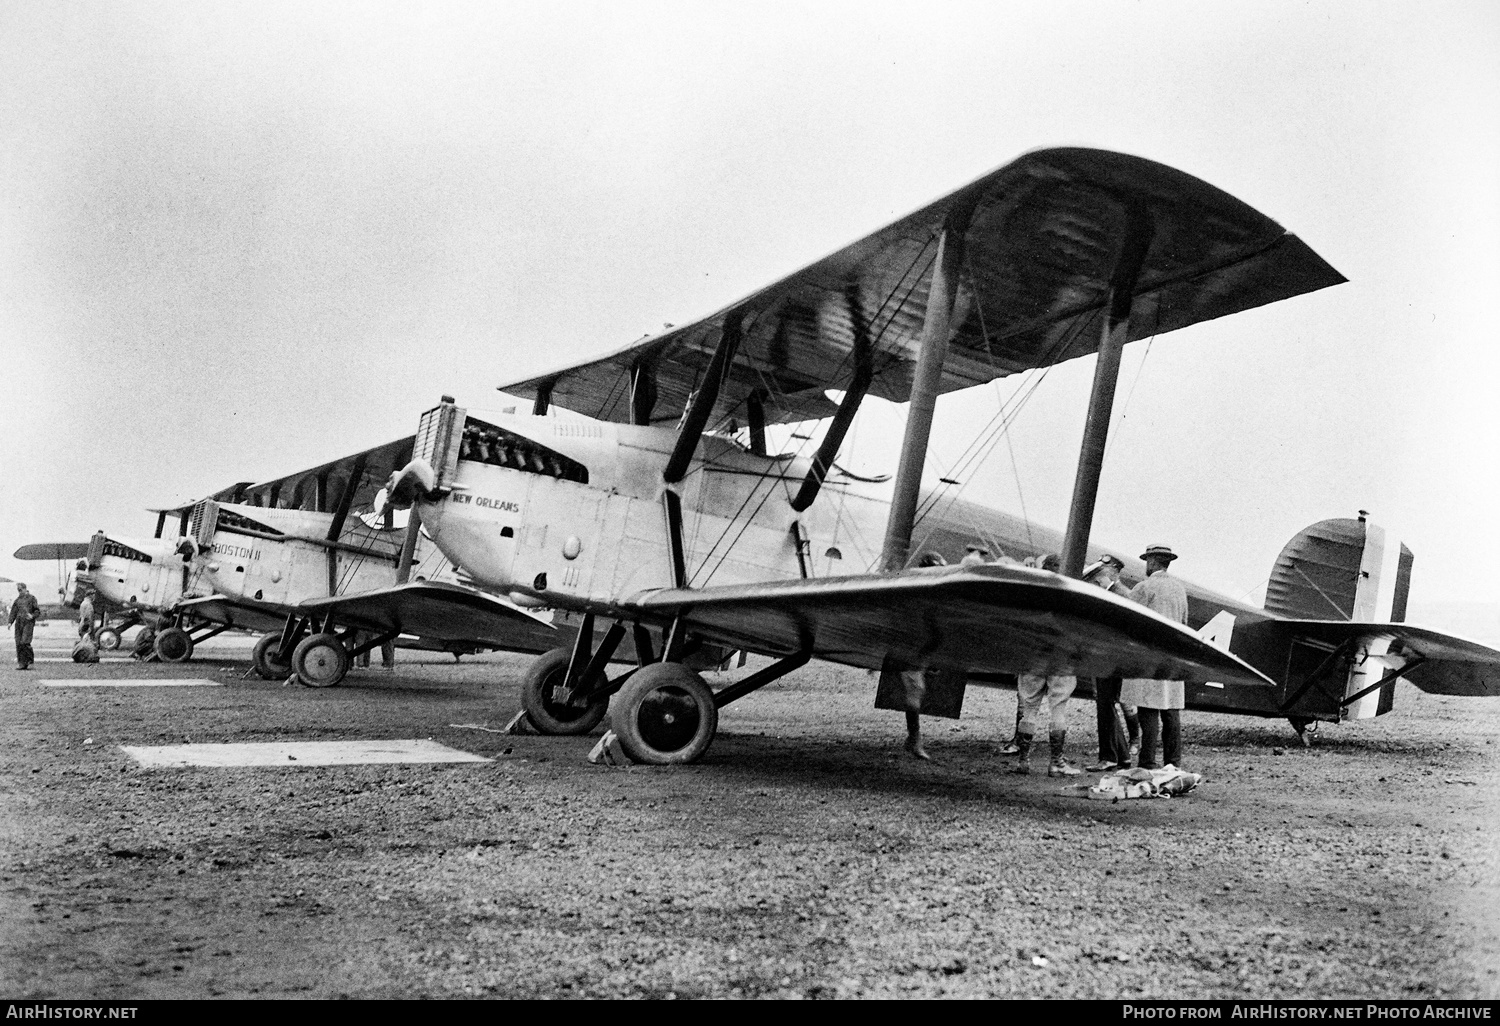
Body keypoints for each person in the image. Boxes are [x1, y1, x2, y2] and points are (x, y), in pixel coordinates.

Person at [1007, 553, 1081, 776]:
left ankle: (1023, 760)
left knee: (1029, 709)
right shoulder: (1071, 593)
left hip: (1033, 656)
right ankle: (1056, 762)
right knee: (1058, 709)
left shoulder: (1032, 592)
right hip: (1061, 658)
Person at [1121, 544, 1190, 769]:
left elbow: (1128, 621)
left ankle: (1148, 762)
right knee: (1171, 711)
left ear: (1151, 562)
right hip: (1173, 657)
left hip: (1149, 657)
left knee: (1148, 710)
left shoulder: (1143, 587)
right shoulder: (1180, 589)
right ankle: (1173, 762)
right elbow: (1184, 623)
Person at [1082, 555, 1135, 771]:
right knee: (1109, 707)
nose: (1097, 581)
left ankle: (1109, 757)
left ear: (1111, 573)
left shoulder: (1117, 596)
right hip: (1114, 660)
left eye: (1099, 576)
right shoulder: (1122, 594)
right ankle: (1122, 756)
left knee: (1105, 706)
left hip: (1109, 660)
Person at [902, 551, 948, 760]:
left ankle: (913, 739)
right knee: (915, 692)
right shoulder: (925, 591)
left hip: (915, 648)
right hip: (913, 649)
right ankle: (915, 740)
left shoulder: (916, 587)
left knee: (916, 692)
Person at [8, 582, 41, 670]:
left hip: (28, 623)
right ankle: (22, 663)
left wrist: (32, 616)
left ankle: (30, 662)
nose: (19, 592)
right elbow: (13, 612)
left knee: (25, 642)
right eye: (18, 590)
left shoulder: (32, 599)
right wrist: (10, 622)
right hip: (18, 623)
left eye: (20, 590)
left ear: (25, 589)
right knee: (18, 643)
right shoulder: (17, 600)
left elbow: (37, 610)